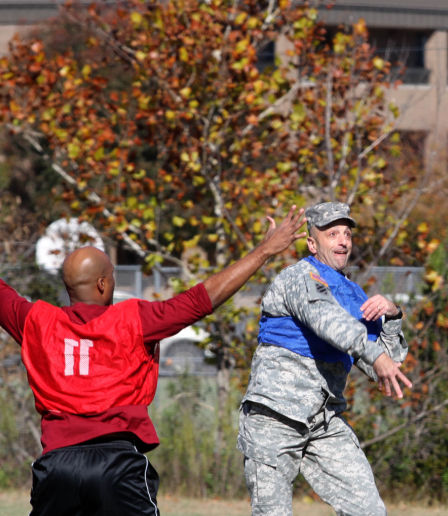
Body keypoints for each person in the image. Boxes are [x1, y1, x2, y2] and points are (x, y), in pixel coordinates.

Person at [0, 206, 306, 516]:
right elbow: (202, 299)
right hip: (115, 464)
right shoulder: (134, 319)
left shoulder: (35, 321)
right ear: (103, 284)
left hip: (56, 466)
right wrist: (265, 250)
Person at [237, 201, 413, 516]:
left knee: (369, 511)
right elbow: (329, 323)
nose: (343, 241)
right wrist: (375, 354)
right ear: (312, 243)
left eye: (346, 234)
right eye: (332, 234)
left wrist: (394, 314)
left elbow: (387, 364)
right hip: (274, 417)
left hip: (324, 421)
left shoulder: (355, 295)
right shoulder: (299, 277)